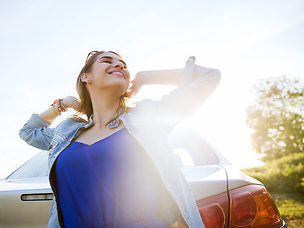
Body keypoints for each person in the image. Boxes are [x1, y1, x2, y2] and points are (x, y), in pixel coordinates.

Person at [19, 50, 221, 228]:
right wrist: (63, 104)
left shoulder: (148, 116)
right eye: (107, 61)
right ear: (85, 77)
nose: (119, 65)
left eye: (124, 65)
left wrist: (146, 77)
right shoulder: (67, 132)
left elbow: (210, 76)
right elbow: (28, 131)